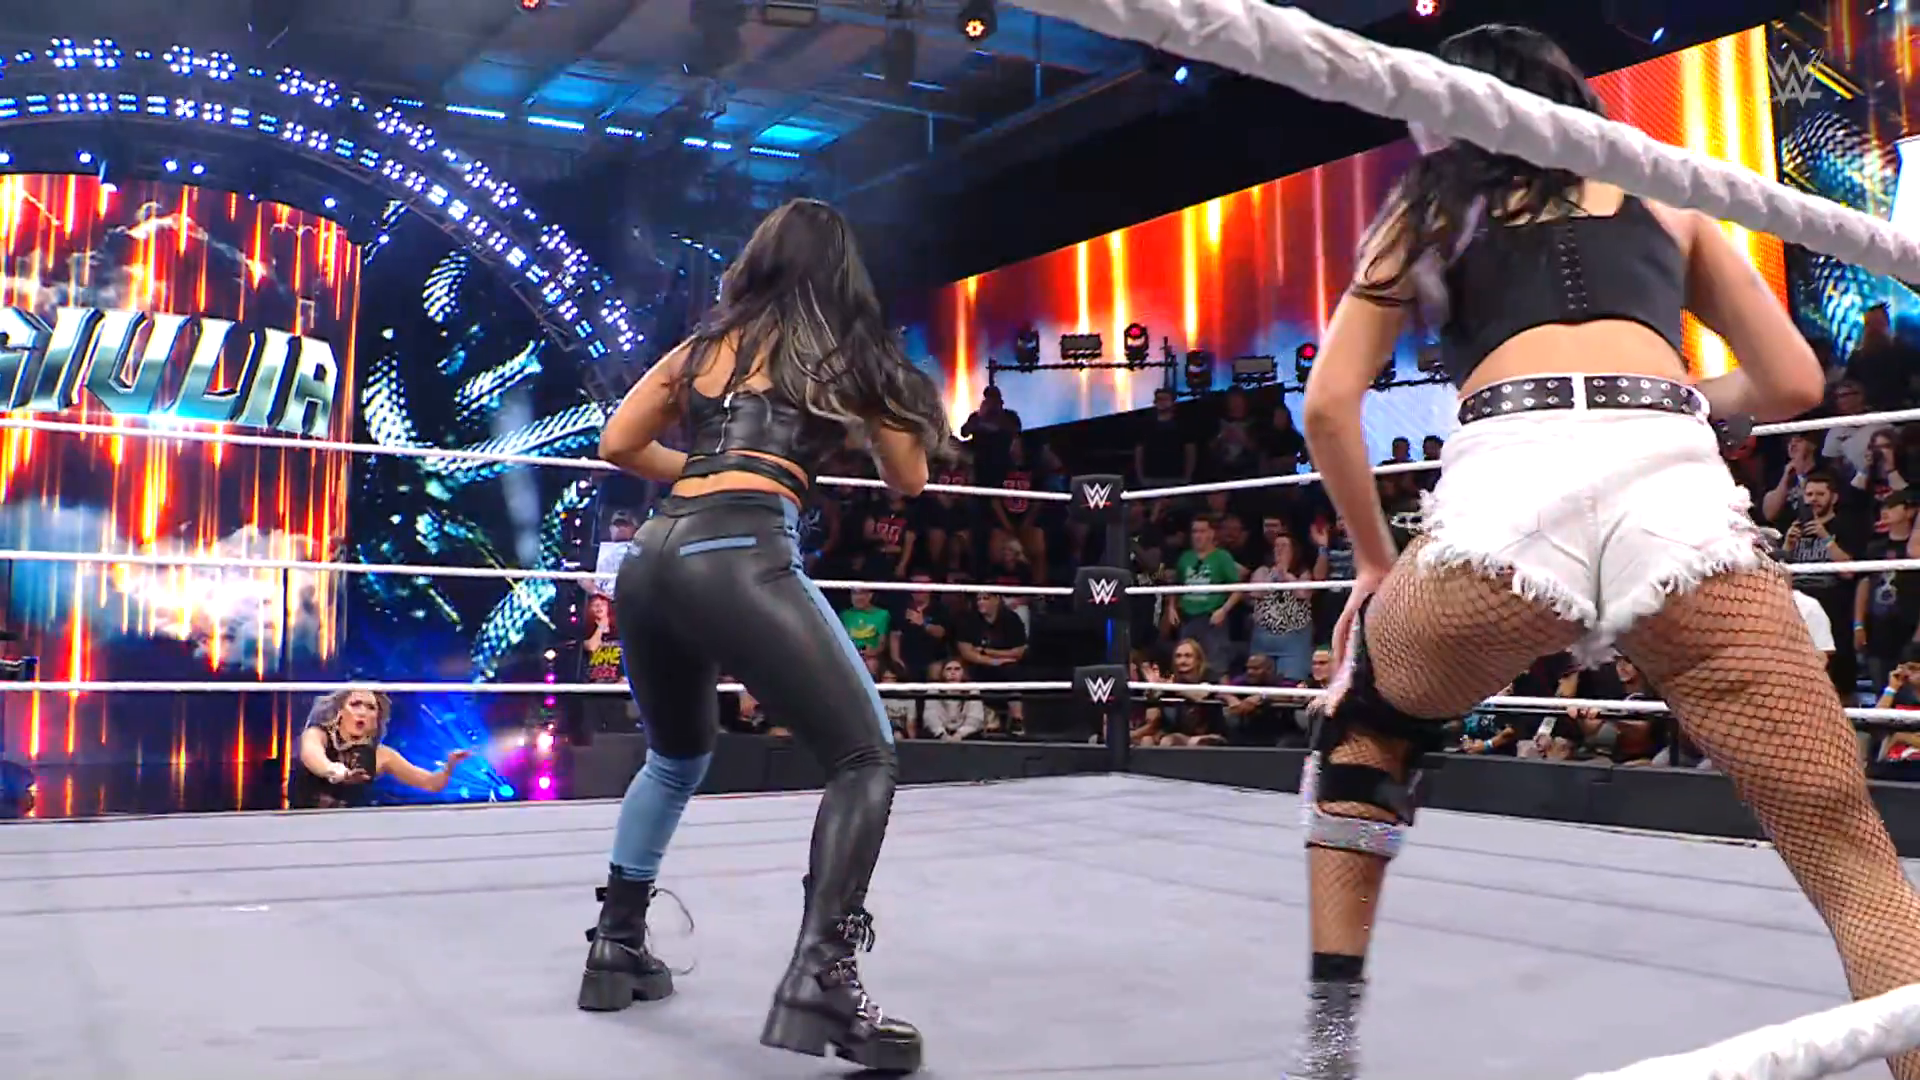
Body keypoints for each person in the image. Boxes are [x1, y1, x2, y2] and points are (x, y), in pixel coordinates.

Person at [1290, 24, 1920, 1080]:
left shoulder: (1429, 206)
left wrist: (1374, 563)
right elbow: (1792, 384)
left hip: (1506, 493)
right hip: (1675, 493)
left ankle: (1325, 1054)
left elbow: (1326, 407)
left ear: (1456, 109)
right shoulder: (1665, 195)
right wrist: (1674, 398)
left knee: (1367, 732)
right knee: (1847, 848)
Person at [587, 197, 948, 1074]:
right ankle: (822, 977)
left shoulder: (702, 346)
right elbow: (908, 479)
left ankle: (615, 945)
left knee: (675, 758)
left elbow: (618, 442)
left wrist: (712, 469)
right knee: (866, 758)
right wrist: (887, 401)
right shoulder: (848, 348)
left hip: (652, 557)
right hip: (739, 553)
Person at [288, 689, 471, 809]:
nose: (362, 712)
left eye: (371, 708)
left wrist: (449, 767)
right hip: (301, 823)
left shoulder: (382, 755)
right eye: (355, 705)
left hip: (352, 831)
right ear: (340, 712)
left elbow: (431, 783)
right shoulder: (317, 734)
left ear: (376, 720)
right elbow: (312, 755)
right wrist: (338, 772)